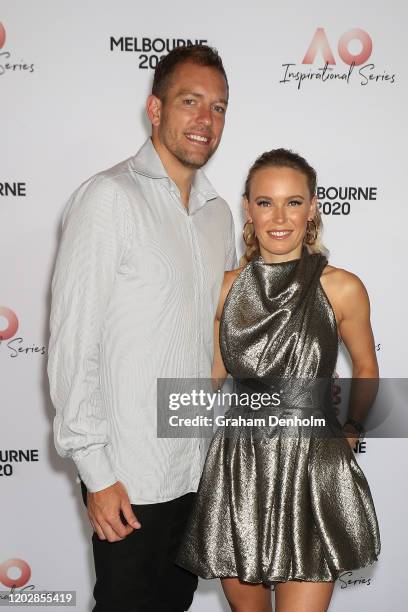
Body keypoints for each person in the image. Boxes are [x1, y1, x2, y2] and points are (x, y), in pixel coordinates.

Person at [47, 45, 237, 612]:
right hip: (128, 478)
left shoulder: (219, 214)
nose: (206, 120)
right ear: (155, 110)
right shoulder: (109, 197)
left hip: (192, 472)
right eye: (191, 102)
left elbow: (215, 342)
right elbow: (72, 341)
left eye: (220, 107)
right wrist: (96, 473)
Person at [176, 149, 381, 612]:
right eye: (266, 202)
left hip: (313, 469)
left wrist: (352, 429)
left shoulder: (342, 287)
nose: (279, 217)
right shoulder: (224, 287)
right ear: (248, 208)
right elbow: (211, 379)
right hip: (239, 468)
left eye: (293, 202)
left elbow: (366, 368)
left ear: (312, 208)